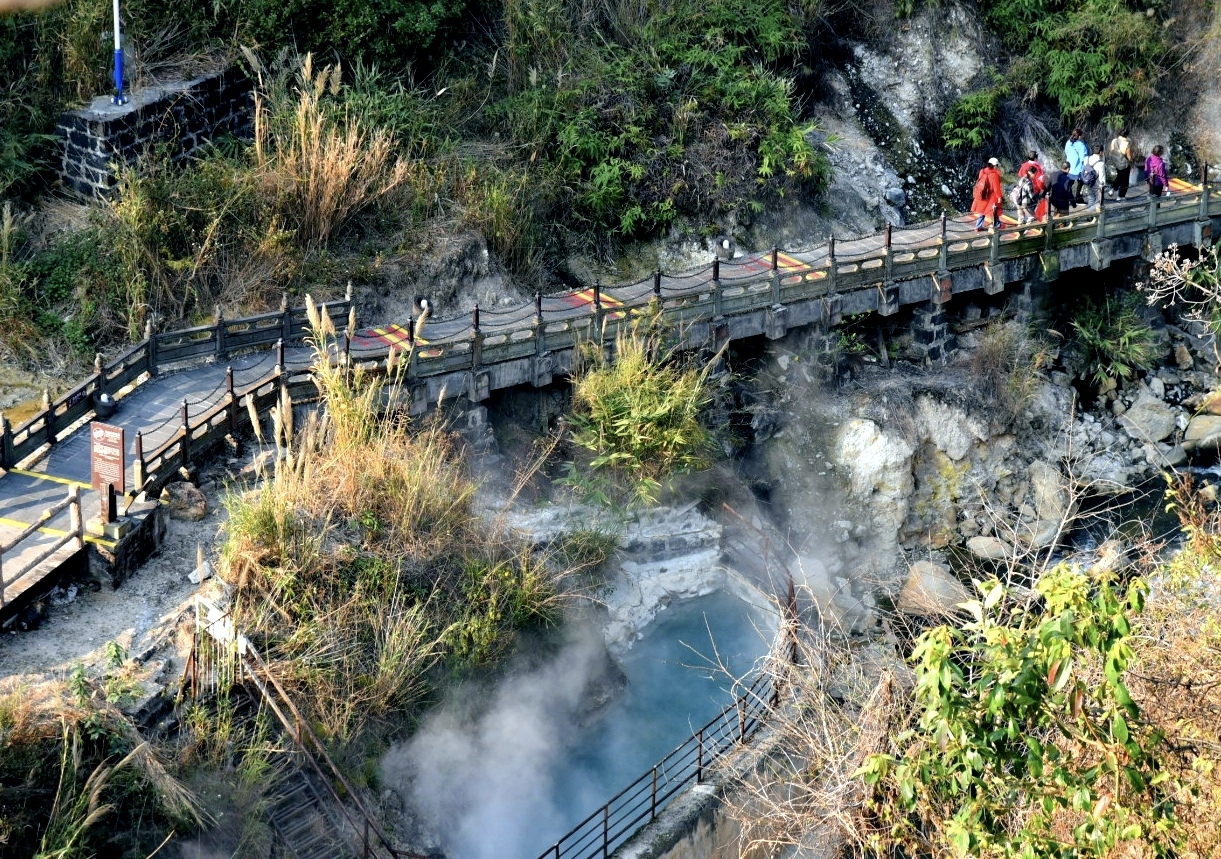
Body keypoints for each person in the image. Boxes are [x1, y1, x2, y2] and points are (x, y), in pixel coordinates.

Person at [971, 157, 1004, 231]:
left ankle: (978, 226)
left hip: (982, 194)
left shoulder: (982, 171)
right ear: (995, 166)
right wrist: (999, 196)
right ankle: (997, 225)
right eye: (997, 166)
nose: (997, 167)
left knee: (982, 211)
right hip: (991, 196)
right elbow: (996, 187)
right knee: (994, 210)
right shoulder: (995, 174)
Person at [1018, 151, 1048, 220]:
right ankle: (1029, 222)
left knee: (1024, 206)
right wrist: (1044, 189)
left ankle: (1022, 221)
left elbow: (1020, 175)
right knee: (1031, 208)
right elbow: (1040, 182)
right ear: (1035, 159)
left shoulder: (1024, 165)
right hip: (1034, 190)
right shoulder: (1037, 168)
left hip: (1023, 189)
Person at [1064, 128, 1089, 204]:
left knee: (1069, 184)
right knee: (1081, 183)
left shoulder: (1068, 142)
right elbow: (1083, 158)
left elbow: (1066, 152)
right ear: (1080, 136)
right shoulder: (1081, 145)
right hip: (1078, 168)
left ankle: (1066, 198)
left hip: (1069, 167)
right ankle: (1078, 199)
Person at [1108, 128, 1134, 199]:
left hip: (1116, 162)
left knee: (1119, 176)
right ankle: (1121, 196)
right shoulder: (1127, 144)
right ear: (1127, 135)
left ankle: (1112, 188)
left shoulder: (1114, 140)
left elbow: (1111, 151)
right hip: (1124, 164)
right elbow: (1129, 157)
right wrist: (1132, 164)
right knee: (1125, 181)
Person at [1084, 144, 1106, 211]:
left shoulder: (1086, 159)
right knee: (1098, 202)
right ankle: (1090, 213)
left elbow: (1086, 170)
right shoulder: (1101, 164)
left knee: (1090, 199)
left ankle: (1089, 216)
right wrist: (1103, 186)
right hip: (1097, 185)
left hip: (1087, 182)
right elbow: (1102, 177)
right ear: (1101, 152)